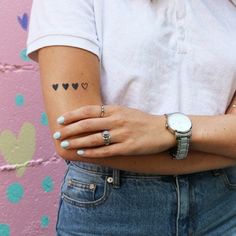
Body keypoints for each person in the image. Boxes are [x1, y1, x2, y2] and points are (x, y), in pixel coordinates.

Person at [26, 0, 236, 235]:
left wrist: (164, 130)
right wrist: (224, 144)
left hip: (225, 207)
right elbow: (76, 138)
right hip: (110, 208)